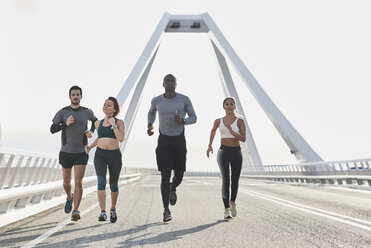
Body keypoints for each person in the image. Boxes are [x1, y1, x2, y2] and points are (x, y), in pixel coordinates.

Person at [147, 74, 197, 222]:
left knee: (179, 175)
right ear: (163, 84)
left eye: (172, 81)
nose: (169, 83)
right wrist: (150, 125)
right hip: (163, 141)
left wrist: (182, 120)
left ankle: (173, 187)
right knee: (165, 174)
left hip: (179, 141)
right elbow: (151, 112)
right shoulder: (157, 100)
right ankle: (166, 210)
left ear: (176, 83)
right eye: (167, 81)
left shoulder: (184, 99)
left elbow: (194, 117)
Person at [50, 85, 97, 221]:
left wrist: (92, 131)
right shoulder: (63, 112)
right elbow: (52, 129)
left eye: (78, 94)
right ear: (70, 97)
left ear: (81, 97)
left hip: (81, 152)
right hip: (66, 152)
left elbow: (95, 121)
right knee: (66, 182)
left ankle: (76, 210)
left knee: (78, 181)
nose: (75, 97)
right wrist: (65, 123)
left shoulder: (87, 111)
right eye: (73, 95)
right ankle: (69, 197)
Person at [85, 97, 125, 223]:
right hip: (100, 155)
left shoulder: (119, 122)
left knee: (113, 184)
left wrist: (113, 125)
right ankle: (102, 212)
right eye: (104, 104)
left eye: (109, 105)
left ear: (114, 109)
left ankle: (112, 209)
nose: (105, 106)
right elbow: (100, 138)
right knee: (101, 182)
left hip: (114, 156)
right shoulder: (98, 123)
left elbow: (121, 138)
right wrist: (91, 146)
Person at [206, 97, 246, 219]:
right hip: (223, 151)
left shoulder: (240, 121)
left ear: (234, 106)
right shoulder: (218, 121)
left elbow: (243, 138)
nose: (229, 106)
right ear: (224, 106)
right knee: (226, 180)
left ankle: (232, 202)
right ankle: (226, 209)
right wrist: (210, 146)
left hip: (236, 152)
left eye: (231, 104)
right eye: (227, 104)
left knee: (235, 180)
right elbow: (213, 131)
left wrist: (232, 131)